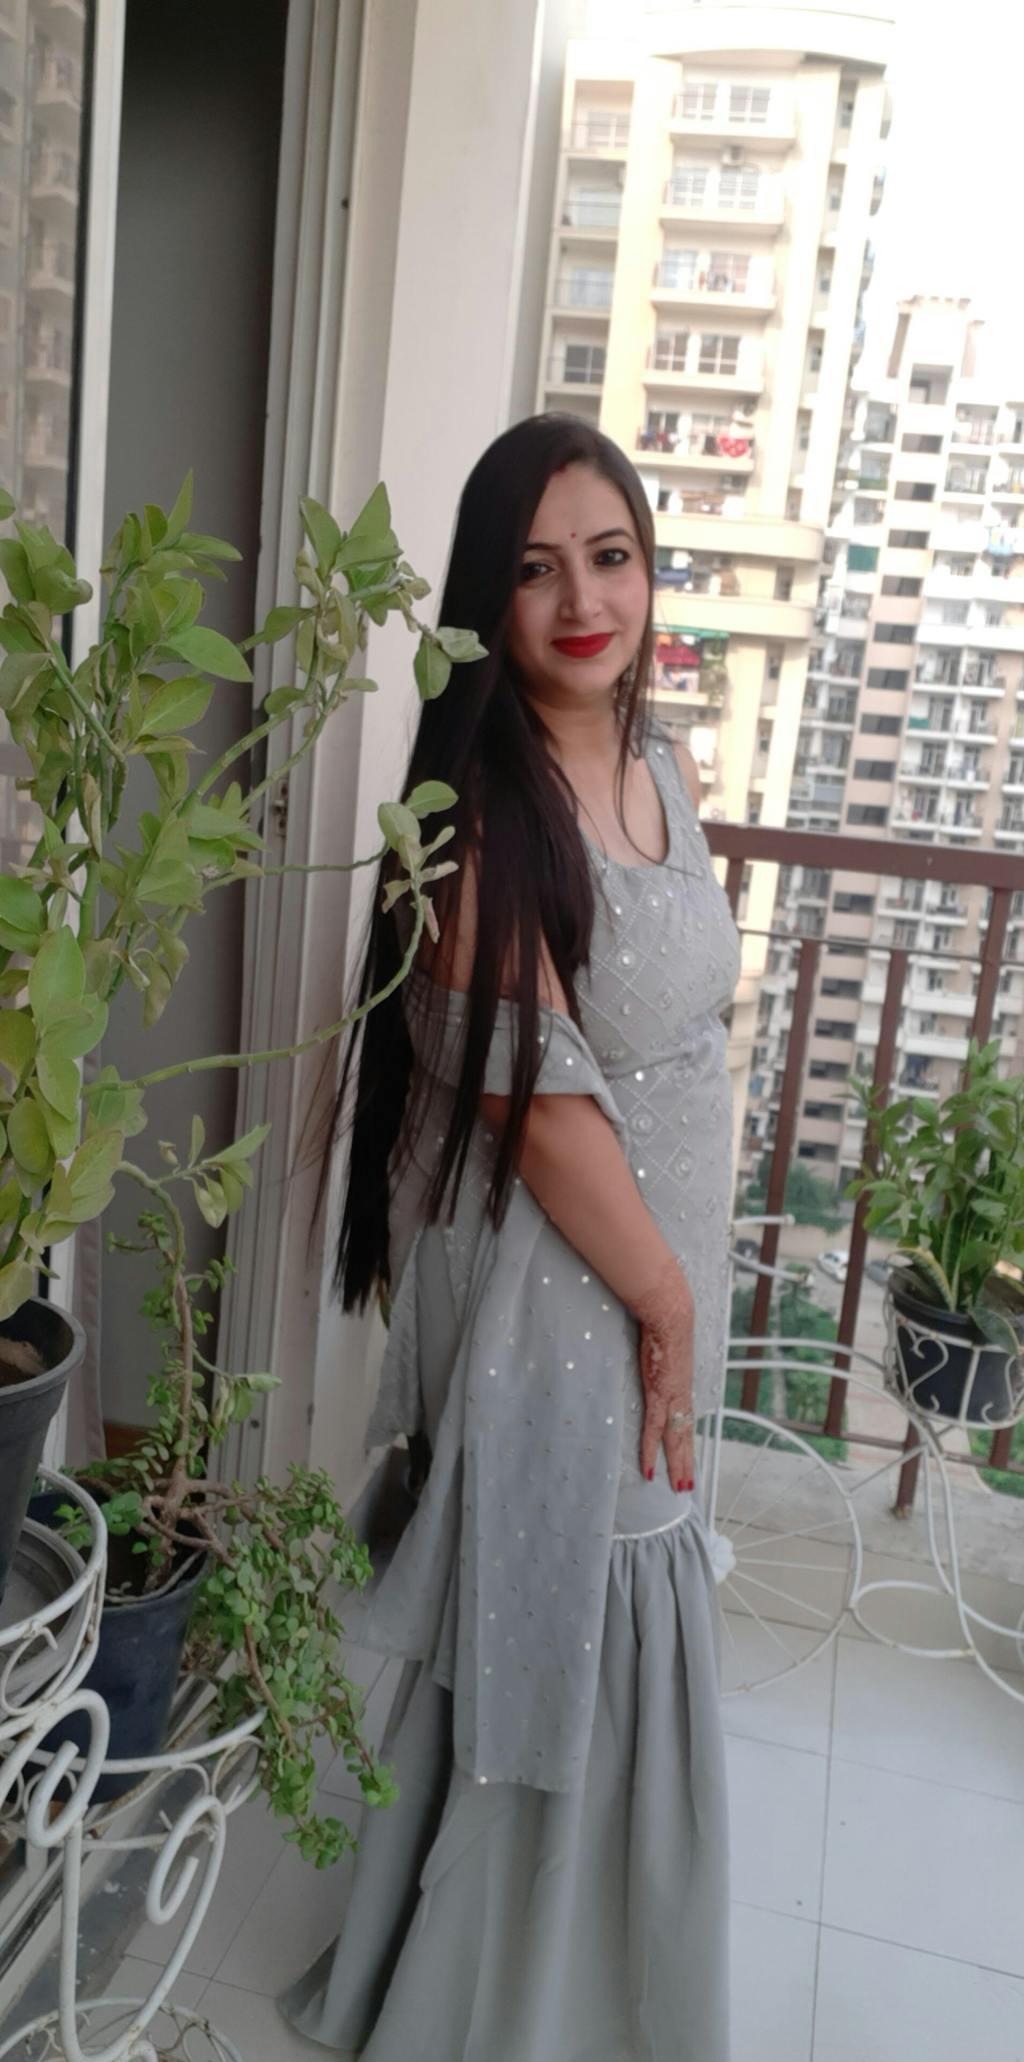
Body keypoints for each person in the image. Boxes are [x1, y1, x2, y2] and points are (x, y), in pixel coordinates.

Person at [280, 414, 740, 2061]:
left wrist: (683, 1286)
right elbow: (534, 1105)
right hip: (576, 1293)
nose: (583, 601)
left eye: (609, 556)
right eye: (537, 570)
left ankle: (569, 1982)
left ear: (649, 568)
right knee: (574, 1616)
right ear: (488, 599)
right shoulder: (484, 812)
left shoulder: (662, 767)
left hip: (653, 1265)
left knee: (601, 1610)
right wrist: (666, 1301)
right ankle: (519, 2003)